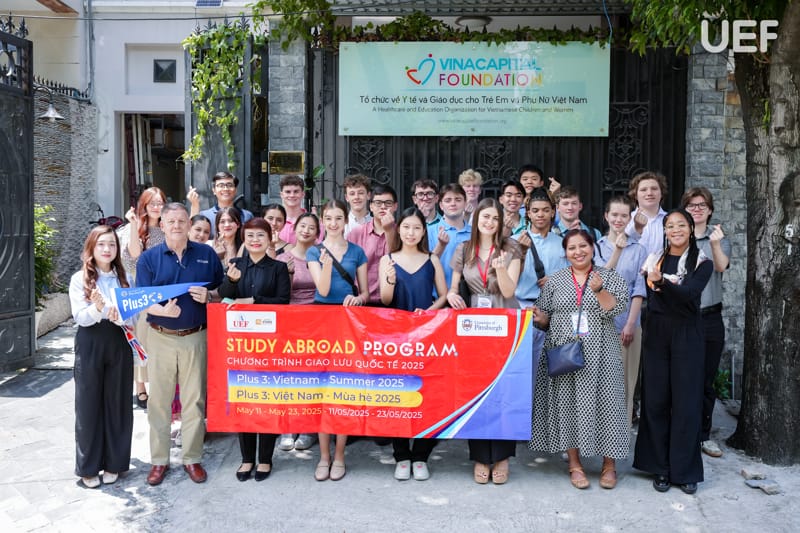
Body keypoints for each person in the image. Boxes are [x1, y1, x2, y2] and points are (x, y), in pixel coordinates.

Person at [529, 229, 630, 490]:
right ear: (565, 253)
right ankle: (574, 464)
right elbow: (545, 316)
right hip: (564, 352)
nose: (578, 252)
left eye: (583, 246)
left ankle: (609, 465)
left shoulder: (609, 277)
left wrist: (599, 290)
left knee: (608, 404)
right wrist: (539, 317)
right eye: (572, 248)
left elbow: (617, 309)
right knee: (567, 404)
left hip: (602, 352)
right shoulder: (556, 280)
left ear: (592, 247)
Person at [136, 203, 224, 486]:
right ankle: (159, 461)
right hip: (160, 336)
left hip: (196, 336)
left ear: (189, 224)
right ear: (162, 225)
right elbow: (142, 299)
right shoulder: (149, 259)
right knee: (159, 402)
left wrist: (210, 296)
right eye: (171, 221)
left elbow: (222, 288)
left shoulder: (206, 254)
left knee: (194, 400)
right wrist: (162, 311)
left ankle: (192, 458)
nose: (176, 226)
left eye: (182, 221)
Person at [634, 209, 713, 495]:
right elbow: (656, 297)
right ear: (665, 231)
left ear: (691, 229)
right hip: (657, 332)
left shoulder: (702, 262)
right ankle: (660, 467)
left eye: (681, 225)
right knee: (655, 399)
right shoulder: (654, 259)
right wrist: (661, 285)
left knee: (686, 401)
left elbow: (688, 295)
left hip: (687, 334)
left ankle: (685, 470)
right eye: (670, 226)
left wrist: (662, 283)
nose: (675, 230)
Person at [446, 198, 523, 485]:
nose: (489, 222)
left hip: (505, 323)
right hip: (474, 327)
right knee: (476, 391)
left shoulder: (511, 248)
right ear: (476, 219)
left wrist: (500, 268)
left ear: (501, 222)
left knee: (505, 390)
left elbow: (509, 290)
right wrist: (452, 294)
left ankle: (502, 457)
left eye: (495, 218)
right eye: (485, 217)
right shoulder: (463, 248)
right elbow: (454, 286)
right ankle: (480, 456)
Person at [218, 218, 291, 481]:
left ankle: (265, 459)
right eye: (250, 236)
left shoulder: (279, 268)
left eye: (260, 235)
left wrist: (253, 300)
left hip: (269, 344)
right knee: (244, 400)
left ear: (270, 238)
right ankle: (247, 458)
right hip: (240, 344)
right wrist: (230, 280)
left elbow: (283, 301)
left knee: (267, 401)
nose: (255, 240)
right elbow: (224, 296)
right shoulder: (235, 264)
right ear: (244, 239)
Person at [379, 207, 448, 481]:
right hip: (396, 338)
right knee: (399, 397)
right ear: (399, 229)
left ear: (423, 231)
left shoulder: (432, 259)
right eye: (406, 227)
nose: (411, 232)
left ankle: (421, 455)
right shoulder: (387, 259)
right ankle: (401, 455)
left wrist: (428, 312)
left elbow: (443, 296)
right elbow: (385, 300)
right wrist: (389, 280)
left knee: (427, 395)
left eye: (416, 228)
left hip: (427, 336)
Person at [307, 199, 369, 481]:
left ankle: (340, 455)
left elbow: (366, 292)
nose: (333, 223)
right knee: (323, 389)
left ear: (346, 221)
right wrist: (327, 265)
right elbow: (322, 289)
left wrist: (358, 299)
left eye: (338, 218)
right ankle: (323, 456)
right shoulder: (314, 251)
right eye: (328, 218)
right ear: (323, 221)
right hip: (322, 320)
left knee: (343, 388)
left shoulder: (357, 252)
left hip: (348, 321)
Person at [69, 226, 134, 488]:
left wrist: (121, 316)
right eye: (102, 244)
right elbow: (80, 317)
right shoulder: (80, 279)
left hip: (118, 341)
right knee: (88, 404)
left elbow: (132, 315)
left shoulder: (125, 278)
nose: (107, 249)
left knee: (118, 403)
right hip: (90, 342)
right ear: (92, 248)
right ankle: (88, 467)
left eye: (112, 244)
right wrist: (97, 309)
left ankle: (115, 463)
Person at [680, 188, 731, 459]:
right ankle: (683, 433)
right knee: (683, 378)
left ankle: (703, 435)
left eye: (702, 205)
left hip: (710, 317)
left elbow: (721, 267)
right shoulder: (678, 236)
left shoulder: (718, 237)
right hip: (683, 317)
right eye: (691, 205)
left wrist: (715, 245)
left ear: (710, 209)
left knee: (706, 380)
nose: (697, 209)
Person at [594, 196, 648, 426]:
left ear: (630, 219)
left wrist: (630, 323)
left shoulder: (639, 250)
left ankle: (620, 433)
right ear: (606, 216)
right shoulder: (595, 247)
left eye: (624, 216)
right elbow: (597, 281)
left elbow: (639, 289)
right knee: (598, 383)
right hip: (599, 325)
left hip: (628, 324)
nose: (618, 219)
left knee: (625, 383)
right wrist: (616, 251)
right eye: (614, 214)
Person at [117, 186, 167, 410]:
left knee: (160, 341)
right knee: (140, 339)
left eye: (160, 203)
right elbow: (132, 258)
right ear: (144, 206)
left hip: (164, 288)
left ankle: (158, 386)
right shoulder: (134, 228)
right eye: (152, 203)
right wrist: (134, 225)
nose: (157, 207)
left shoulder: (167, 227)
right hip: (140, 289)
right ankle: (140, 387)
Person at [276, 213, 321, 452]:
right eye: (302, 226)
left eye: (311, 227)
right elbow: (277, 292)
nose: (306, 230)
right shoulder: (282, 258)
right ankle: (288, 426)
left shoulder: (320, 256)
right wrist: (289, 275)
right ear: (294, 230)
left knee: (310, 375)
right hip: (288, 322)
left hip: (314, 322)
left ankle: (308, 427)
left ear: (317, 233)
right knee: (288, 374)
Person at [514, 188, 569, 308]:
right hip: (521, 306)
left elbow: (575, 276)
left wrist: (557, 281)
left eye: (545, 210)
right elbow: (507, 279)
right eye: (535, 211)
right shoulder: (514, 241)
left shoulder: (563, 243)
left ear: (553, 212)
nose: (540, 214)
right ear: (529, 213)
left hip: (554, 308)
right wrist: (520, 253)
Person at [347, 184, 398, 305]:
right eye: (378, 203)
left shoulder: (402, 232)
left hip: (394, 299)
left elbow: (398, 261)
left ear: (395, 206)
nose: (383, 207)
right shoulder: (356, 233)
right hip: (362, 300)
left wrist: (389, 231)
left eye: (388, 203)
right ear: (371, 206)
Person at [428, 183, 472, 290]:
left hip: (469, 296)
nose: (453, 203)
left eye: (458, 199)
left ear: (465, 203)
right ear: (441, 205)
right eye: (448, 200)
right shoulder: (429, 231)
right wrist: (441, 245)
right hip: (437, 295)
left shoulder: (475, 233)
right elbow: (424, 267)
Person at [197, 171, 253, 237]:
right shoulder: (205, 216)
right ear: (214, 190)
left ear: (235, 190)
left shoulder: (247, 216)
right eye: (221, 185)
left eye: (229, 185)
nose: (225, 189)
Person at [626, 171, 669, 257]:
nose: (649, 193)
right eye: (643, 190)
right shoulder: (626, 219)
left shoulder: (670, 219)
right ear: (635, 195)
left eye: (654, 189)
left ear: (661, 193)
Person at [277, 175, 307, 244]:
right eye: (288, 192)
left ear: (303, 194)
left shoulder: (312, 221)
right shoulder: (273, 221)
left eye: (296, 191)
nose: (292, 195)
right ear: (281, 195)